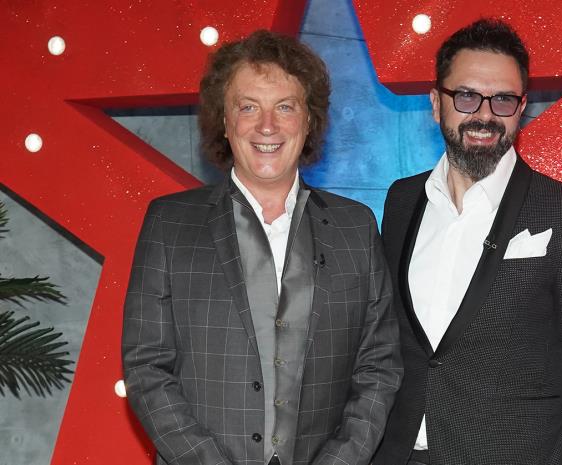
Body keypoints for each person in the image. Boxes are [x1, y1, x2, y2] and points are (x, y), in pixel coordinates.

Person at [122, 30, 402, 465]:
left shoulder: (356, 227)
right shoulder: (170, 224)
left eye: (285, 107)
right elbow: (146, 367)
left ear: (308, 121)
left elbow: (378, 367)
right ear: (224, 121)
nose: (267, 126)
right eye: (248, 106)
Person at [373, 18, 562, 465]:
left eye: (503, 99)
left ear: (521, 107)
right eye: (466, 96)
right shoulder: (402, 200)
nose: (485, 115)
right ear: (436, 103)